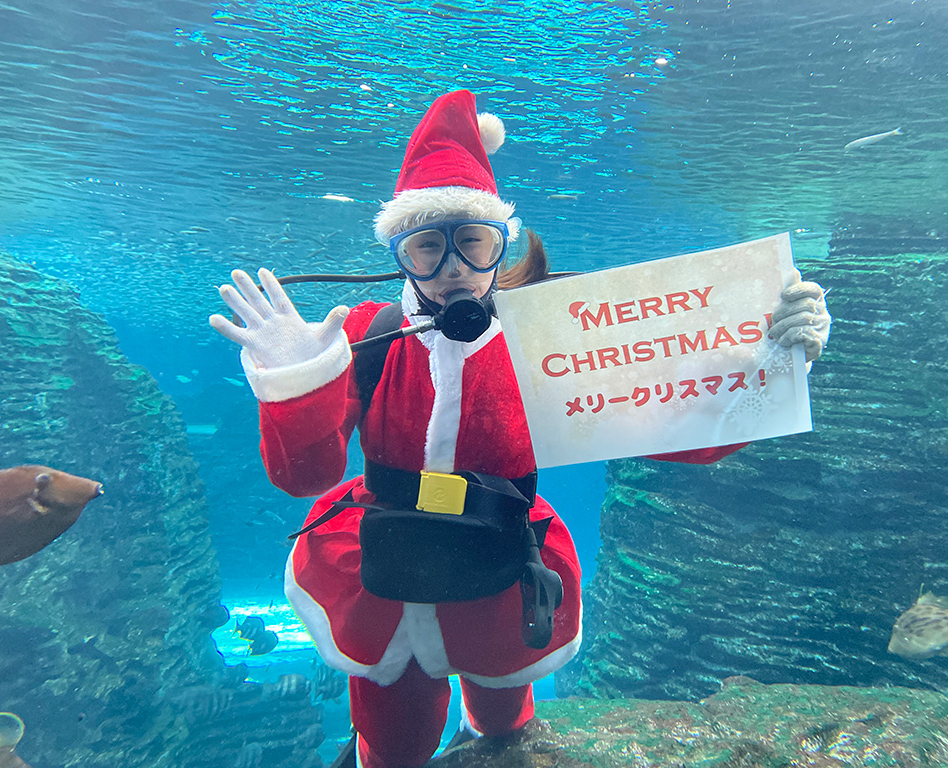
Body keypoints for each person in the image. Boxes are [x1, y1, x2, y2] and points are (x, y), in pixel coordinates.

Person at [209, 90, 831, 768]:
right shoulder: (366, 333)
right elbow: (306, 477)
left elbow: (683, 432)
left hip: (503, 566)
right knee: (393, 744)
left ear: (499, 246)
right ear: (399, 256)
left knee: (505, 727)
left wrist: (772, 362)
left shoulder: (551, 339)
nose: (452, 268)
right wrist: (298, 383)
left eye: (472, 243)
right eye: (426, 247)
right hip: (387, 574)